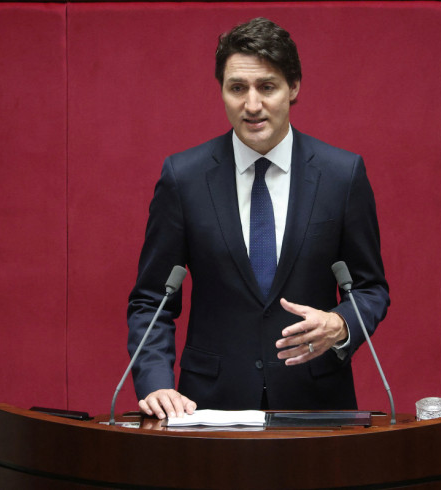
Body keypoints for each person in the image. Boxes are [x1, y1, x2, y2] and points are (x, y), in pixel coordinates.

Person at [127, 17, 389, 419]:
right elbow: (152, 299)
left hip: (316, 404)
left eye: (267, 87)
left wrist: (341, 325)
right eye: (237, 88)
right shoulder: (184, 177)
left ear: (294, 88)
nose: (252, 105)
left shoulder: (342, 175)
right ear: (222, 91)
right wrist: (155, 380)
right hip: (208, 406)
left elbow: (370, 288)